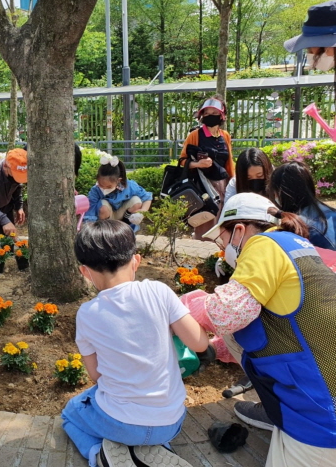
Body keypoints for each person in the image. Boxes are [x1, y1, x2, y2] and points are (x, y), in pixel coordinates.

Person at [185, 193, 336, 466]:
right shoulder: (298, 245)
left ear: (239, 230)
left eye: (222, 240)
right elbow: (275, 322)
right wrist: (215, 348)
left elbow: (226, 313)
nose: (223, 250)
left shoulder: (262, 244)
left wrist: (186, 305)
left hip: (323, 412)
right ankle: (274, 412)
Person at [62, 220, 208, 467]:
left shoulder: (87, 314)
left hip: (119, 422)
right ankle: (156, 449)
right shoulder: (159, 291)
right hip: (170, 422)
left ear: (85, 271)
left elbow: (96, 375)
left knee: (71, 412)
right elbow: (200, 343)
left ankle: (99, 454)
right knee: (143, 422)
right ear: (136, 261)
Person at [180, 96, 235, 241]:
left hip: (224, 184)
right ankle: (202, 248)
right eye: (207, 113)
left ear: (222, 115)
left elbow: (229, 161)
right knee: (207, 218)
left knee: (224, 219)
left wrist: (234, 180)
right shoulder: (195, 135)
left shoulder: (225, 136)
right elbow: (182, 160)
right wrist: (198, 164)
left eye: (214, 113)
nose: (210, 117)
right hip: (204, 185)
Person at [269, 161, 336, 250]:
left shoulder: (302, 228)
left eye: (275, 191)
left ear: (282, 193)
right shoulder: (330, 213)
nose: (275, 196)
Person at [83, 155, 152, 233]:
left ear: (118, 180)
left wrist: (142, 212)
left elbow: (147, 197)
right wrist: (89, 227)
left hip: (122, 215)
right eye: (101, 185)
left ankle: (125, 228)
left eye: (109, 186)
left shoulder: (130, 186)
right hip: (106, 216)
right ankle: (105, 231)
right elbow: (90, 210)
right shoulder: (95, 190)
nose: (104, 188)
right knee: (103, 205)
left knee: (136, 201)